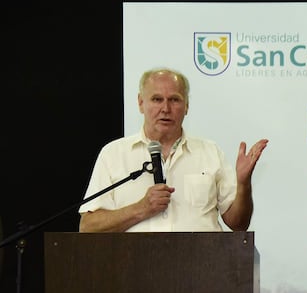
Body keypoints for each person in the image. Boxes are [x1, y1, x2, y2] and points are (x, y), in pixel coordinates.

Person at [79, 67, 268, 232]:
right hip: (133, 267)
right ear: (140, 103)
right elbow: (88, 226)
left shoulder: (210, 152)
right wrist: (141, 208)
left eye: (174, 100)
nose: (165, 108)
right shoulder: (113, 154)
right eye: (156, 99)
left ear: (186, 106)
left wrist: (243, 184)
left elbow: (238, 224)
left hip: (203, 266)